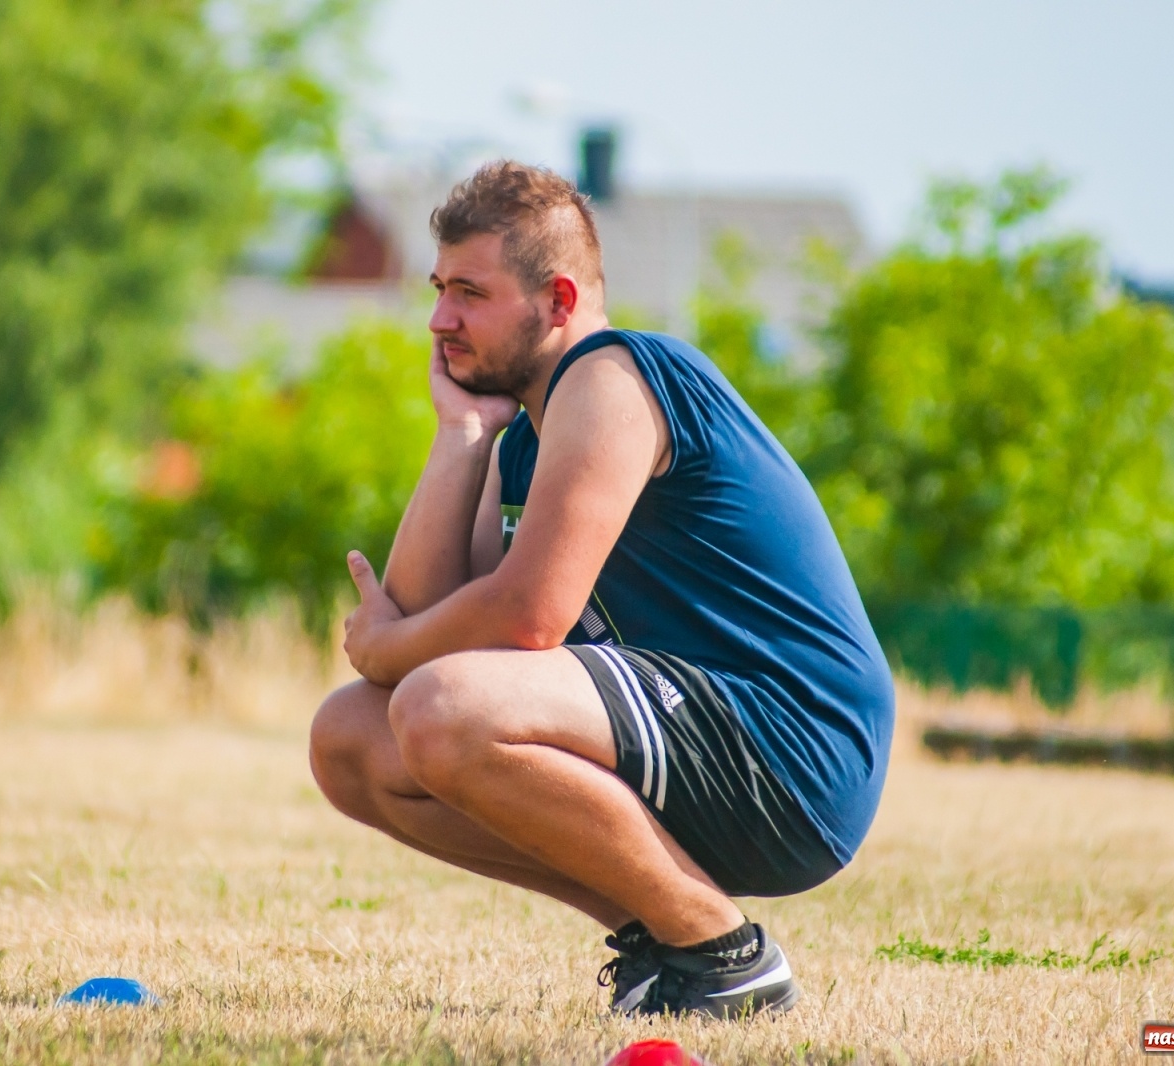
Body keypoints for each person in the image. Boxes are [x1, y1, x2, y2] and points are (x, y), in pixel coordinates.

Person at [308, 160, 895, 1019]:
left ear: (558, 301)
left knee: (445, 707)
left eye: (469, 292)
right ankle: (667, 936)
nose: (439, 320)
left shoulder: (613, 375)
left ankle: (722, 952)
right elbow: (429, 618)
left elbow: (525, 616)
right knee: (351, 739)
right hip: (701, 738)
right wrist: (463, 436)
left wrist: (389, 643)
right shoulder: (522, 438)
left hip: (794, 747)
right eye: (438, 289)